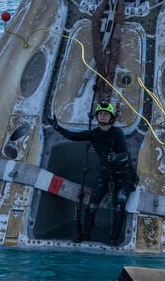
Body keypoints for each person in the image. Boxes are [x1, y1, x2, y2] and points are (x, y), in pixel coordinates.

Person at [52, 103, 137, 244]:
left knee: (119, 205)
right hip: (105, 173)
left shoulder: (117, 133)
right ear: (96, 116)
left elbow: (126, 155)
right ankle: (85, 236)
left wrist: (116, 157)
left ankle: (114, 239)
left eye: (106, 113)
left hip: (124, 175)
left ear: (112, 117)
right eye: (100, 113)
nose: (103, 115)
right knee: (91, 206)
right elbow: (74, 136)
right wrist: (57, 128)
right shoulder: (94, 134)